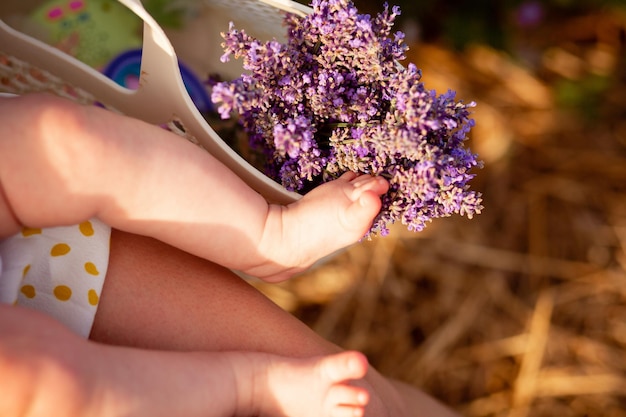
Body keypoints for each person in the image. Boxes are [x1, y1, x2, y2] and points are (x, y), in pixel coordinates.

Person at [0, 93, 460, 417]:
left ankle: (267, 238)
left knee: (366, 400)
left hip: (46, 260)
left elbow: (67, 149)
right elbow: (59, 392)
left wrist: (266, 231)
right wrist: (248, 386)